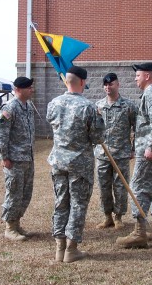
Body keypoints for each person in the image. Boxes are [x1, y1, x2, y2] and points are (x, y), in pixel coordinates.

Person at [46, 66, 105, 263]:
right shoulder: (88, 107)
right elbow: (97, 137)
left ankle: (59, 248)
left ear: (66, 82)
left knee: (61, 202)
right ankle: (71, 249)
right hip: (80, 164)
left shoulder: (53, 104)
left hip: (58, 162)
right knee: (78, 205)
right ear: (83, 82)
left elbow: (52, 124)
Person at [116, 62, 152, 249]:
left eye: (138, 75)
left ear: (148, 76)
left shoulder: (151, 94)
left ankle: (139, 232)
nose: (135, 78)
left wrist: (151, 146)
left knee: (139, 187)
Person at [0, 76, 35, 242]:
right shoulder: (10, 108)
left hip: (27, 158)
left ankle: (16, 223)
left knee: (25, 193)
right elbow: (0, 134)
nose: (32, 90)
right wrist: (5, 157)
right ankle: (9, 227)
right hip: (14, 160)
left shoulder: (28, 106)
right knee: (14, 193)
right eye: (29, 88)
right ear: (18, 89)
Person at [94, 72, 137, 230]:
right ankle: (107, 216)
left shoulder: (128, 106)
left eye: (111, 84)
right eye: (105, 85)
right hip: (102, 154)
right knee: (104, 186)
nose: (107, 87)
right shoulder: (98, 106)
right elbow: (93, 129)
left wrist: (134, 149)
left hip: (121, 153)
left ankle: (118, 216)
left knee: (120, 187)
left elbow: (137, 128)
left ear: (118, 85)